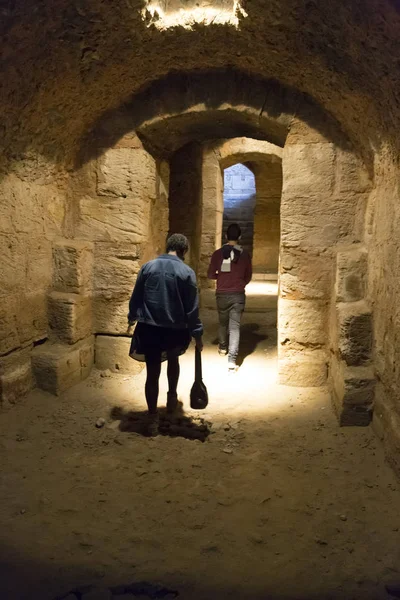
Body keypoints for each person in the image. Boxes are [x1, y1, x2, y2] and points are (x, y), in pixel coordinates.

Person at [127, 233, 203, 436]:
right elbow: (192, 308)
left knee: (152, 374)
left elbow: (137, 296)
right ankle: (171, 397)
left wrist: (132, 316)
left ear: (167, 246)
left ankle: (152, 418)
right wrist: (197, 332)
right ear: (183, 251)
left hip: (150, 328)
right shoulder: (186, 272)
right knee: (173, 360)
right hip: (175, 329)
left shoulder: (148, 267)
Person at [207, 223, 252, 372]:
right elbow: (248, 276)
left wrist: (222, 277)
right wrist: (239, 283)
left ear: (226, 236)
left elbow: (211, 274)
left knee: (222, 323)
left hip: (222, 293)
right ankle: (232, 360)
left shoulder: (218, 254)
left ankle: (222, 347)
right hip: (238, 294)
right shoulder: (244, 254)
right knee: (235, 327)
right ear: (239, 237)